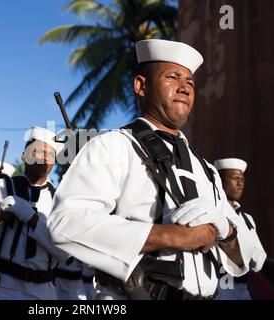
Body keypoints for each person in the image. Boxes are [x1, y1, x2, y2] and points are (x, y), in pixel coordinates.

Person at [48, 39, 256, 300]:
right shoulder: (113, 145)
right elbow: (65, 222)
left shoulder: (207, 169)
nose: (184, 87)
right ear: (141, 86)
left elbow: (246, 257)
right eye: (173, 77)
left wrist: (227, 230)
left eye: (190, 82)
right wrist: (173, 236)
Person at [0, 127, 69, 300]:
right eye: (38, 151)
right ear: (24, 155)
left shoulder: (59, 198)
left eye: (50, 154)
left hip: (44, 291)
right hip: (3, 286)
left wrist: (31, 219)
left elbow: (65, 253)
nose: (44, 157)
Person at [214, 158, 266, 300]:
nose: (240, 183)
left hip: (243, 292)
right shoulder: (213, 212)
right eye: (235, 178)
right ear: (220, 181)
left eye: (242, 179)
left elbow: (259, 261)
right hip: (220, 290)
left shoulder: (247, 219)